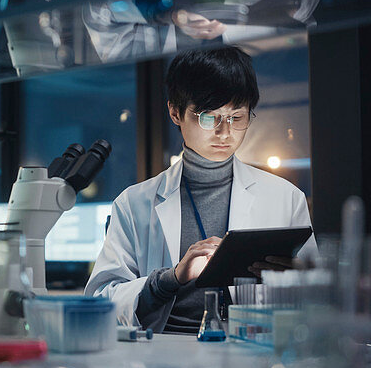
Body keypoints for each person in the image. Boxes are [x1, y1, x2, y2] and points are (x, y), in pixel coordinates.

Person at [84, 46, 316, 334]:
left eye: (237, 117)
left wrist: (300, 283)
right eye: (209, 117)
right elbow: (99, 301)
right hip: (162, 353)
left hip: (251, 349)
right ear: (175, 112)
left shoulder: (285, 198)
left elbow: (319, 304)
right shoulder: (134, 203)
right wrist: (170, 279)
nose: (224, 132)